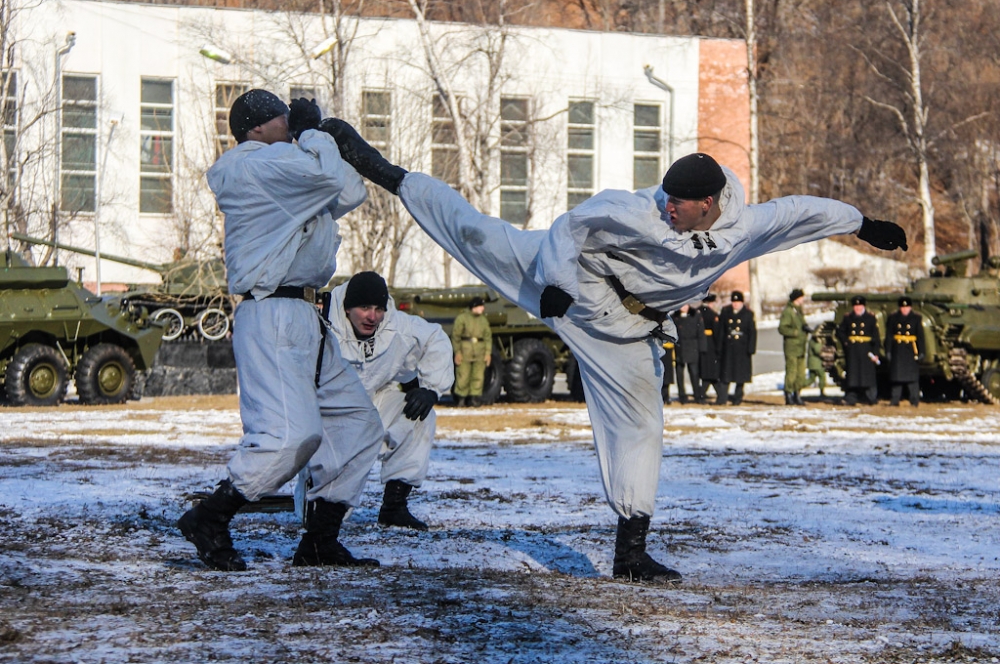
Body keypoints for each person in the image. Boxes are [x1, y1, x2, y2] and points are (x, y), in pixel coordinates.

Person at [321, 121, 907, 583]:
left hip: (627, 333)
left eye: (680, 203)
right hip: (573, 286)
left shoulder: (744, 224)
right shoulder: (635, 210)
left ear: (710, 201)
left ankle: (632, 550)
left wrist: (866, 224)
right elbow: (571, 227)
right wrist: (553, 281)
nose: (668, 208)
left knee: (642, 428)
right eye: (667, 199)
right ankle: (382, 170)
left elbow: (806, 212)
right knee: (475, 233)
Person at [176, 90, 386, 572]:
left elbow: (349, 193)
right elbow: (328, 176)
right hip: (271, 314)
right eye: (279, 118)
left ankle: (319, 541)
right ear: (253, 130)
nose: (286, 121)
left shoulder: (287, 168)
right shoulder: (254, 166)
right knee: (292, 436)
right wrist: (313, 134)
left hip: (305, 316)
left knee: (358, 424)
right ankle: (210, 516)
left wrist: (314, 139)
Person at [321, 271, 455, 530]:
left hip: (374, 402)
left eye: (378, 308)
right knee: (324, 516)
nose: (372, 316)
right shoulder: (322, 327)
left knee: (419, 416)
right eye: (364, 307)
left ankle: (394, 506)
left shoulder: (397, 327)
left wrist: (431, 389)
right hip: (329, 417)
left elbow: (435, 339)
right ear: (347, 309)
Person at [837, 295, 882, 405]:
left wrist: (876, 353)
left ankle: (870, 397)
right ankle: (851, 397)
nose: (857, 308)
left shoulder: (870, 318)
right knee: (853, 376)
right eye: (855, 306)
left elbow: (876, 337)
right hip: (853, 350)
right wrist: (846, 341)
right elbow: (840, 331)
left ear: (863, 306)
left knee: (868, 375)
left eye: (859, 306)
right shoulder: (848, 318)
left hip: (866, 350)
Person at [716, 291, 757, 405]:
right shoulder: (726, 312)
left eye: (737, 302)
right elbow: (722, 331)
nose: (735, 304)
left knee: (740, 375)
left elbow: (752, 332)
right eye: (734, 302)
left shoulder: (748, 314)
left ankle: (737, 397)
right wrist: (719, 347)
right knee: (725, 375)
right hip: (728, 349)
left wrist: (751, 348)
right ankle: (722, 398)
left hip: (742, 349)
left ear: (742, 302)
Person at [451, 297, 493, 407]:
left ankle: (474, 399)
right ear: (474, 306)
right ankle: (461, 399)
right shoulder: (462, 318)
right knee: (463, 375)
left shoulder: (483, 320)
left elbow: (488, 337)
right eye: (480, 306)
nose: (482, 308)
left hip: (480, 350)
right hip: (465, 350)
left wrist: (488, 353)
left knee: (478, 376)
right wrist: (458, 352)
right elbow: (456, 336)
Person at [884, 296, 925, 407]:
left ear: (910, 307)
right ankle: (895, 399)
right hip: (897, 349)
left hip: (911, 349)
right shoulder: (893, 318)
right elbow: (889, 336)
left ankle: (914, 400)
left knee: (912, 378)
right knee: (896, 377)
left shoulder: (916, 318)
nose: (904, 309)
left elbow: (920, 336)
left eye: (907, 307)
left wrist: (921, 352)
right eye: (903, 307)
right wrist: (888, 350)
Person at [778, 288, 810, 406]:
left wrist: (805, 328)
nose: (803, 299)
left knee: (800, 373)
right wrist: (796, 332)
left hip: (800, 346)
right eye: (801, 297)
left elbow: (801, 323)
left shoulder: (798, 310)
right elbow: (782, 328)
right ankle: (788, 394)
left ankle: (797, 394)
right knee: (792, 371)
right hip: (792, 346)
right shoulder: (789, 311)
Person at [671, 304, 706, 404]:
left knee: (694, 373)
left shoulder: (695, 315)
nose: (684, 307)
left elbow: (701, 333)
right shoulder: (675, 317)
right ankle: (682, 396)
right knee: (679, 374)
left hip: (692, 347)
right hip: (680, 348)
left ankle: (697, 395)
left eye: (686, 305)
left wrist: (702, 348)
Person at [697, 294, 722, 400]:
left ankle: (702, 392)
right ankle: (706, 393)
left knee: (704, 367)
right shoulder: (713, 314)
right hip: (710, 343)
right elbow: (717, 332)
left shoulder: (697, 312)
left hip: (699, 343)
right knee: (711, 369)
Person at [806, 333, 828, 398]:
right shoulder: (815, 341)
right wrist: (821, 343)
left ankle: (798, 387)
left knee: (811, 379)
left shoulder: (811, 341)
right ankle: (822, 392)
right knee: (822, 377)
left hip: (812, 363)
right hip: (817, 363)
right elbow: (818, 350)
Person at [660, 337, 675, 405]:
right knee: (662, 374)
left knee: (667, 375)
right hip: (660, 348)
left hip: (669, 348)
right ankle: (663, 396)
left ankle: (666, 395)